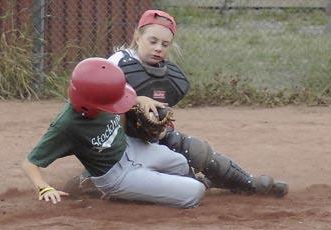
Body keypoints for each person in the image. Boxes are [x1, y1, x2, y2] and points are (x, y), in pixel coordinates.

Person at [67, 10, 288, 198]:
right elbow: (98, 99)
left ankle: (247, 184)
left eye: (165, 44)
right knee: (102, 182)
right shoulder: (118, 62)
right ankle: (88, 180)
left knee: (199, 151)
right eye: (152, 41)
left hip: (150, 139)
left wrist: (162, 127)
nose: (158, 48)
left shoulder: (167, 73)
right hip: (115, 142)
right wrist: (136, 100)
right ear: (137, 36)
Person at [22, 57, 206, 208]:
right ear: (89, 102)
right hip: (115, 176)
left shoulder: (99, 93)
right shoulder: (66, 126)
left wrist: (141, 101)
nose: (116, 106)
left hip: (131, 149)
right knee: (194, 192)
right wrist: (44, 188)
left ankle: (144, 186)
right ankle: (124, 192)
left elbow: (127, 98)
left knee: (181, 164)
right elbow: (30, 163)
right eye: (111, 102)